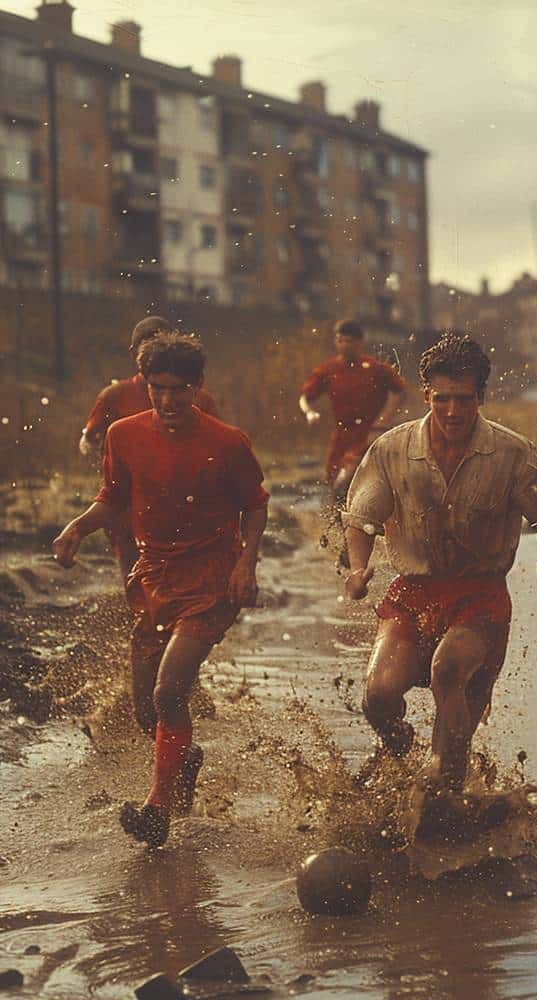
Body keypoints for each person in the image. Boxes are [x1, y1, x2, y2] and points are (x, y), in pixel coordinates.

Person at [54, 332, 269, 848]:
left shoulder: (227, 441)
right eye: (157, 389)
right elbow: (113, 497)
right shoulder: (123, 434)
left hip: (213, 576)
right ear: (143, 384)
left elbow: (255, 505)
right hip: (155, 575)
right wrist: (76, 529)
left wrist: (246, 564)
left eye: (179, 390)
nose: (168, 401)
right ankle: (184, 760)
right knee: (146, 711)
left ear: (197, 387)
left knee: (170, 689)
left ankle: (157, 809)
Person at [342, 333, 537, 792]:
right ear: (426, 395)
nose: (452, 411)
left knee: (449, 672)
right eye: (441, 399)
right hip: (413, 592)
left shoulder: (512, 453)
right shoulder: (392, 449)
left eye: (463, 400)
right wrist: (357, 568)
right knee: (378, 696)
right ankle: (398, 743)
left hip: (480, 597)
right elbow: (362, 518)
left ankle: (447, 784)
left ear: (481, 397)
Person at [79, 316, 220, 581]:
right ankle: (139, 614)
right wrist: (100, 452)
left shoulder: (199, 398)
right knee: (134, 572)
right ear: (135, 354)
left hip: (183, 500)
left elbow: (220, 450)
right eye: (149, 347)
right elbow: (89, 437)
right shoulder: (114, 396)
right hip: (128, 503)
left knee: (179, 573)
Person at [299, 319, 405, 499]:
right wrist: (309, 412)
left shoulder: (375, 368)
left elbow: (398, 391)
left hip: (369, 434)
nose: (344, 345)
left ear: (360, 342)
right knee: (333, 484)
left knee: (346, 480)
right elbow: (305, 398)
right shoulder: (328, 369)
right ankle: (335, 526)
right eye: (340, 340)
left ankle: (358, 522)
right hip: (341, 434)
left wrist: (382, 421)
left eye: (349, 341)